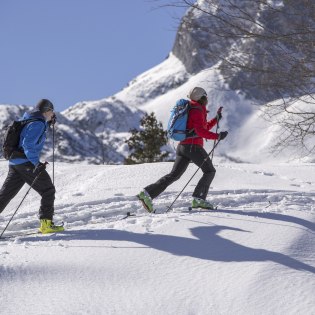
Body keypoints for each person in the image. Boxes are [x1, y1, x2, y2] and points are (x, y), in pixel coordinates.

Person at [137, 87, 228, 212]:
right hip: (192, 147)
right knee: (209, 171)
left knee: (174, 175)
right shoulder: (197, 110)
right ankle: (199, 199)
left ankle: (147, 193)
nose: (207, 99)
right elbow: (200, 131)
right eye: (205, 96)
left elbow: (203, 127)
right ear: (201, 98)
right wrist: (217, 136)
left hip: (183, 147)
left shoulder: (192, 108)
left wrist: (216, 119)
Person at [0, 99, 64, 233]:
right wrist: (36, 164)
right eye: (52, 111)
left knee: (5, 195)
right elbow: (28, 145)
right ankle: (46, 225)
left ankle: (46, 224)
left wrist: (47, 123)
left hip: (15, 162)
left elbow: (29, 133)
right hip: (26, 163)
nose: (53, 114)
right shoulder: (37, 124)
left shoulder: (29, 119)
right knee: (48, 190)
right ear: (47, 111)